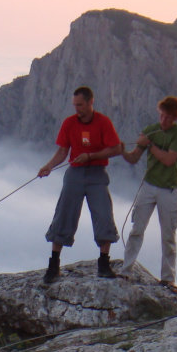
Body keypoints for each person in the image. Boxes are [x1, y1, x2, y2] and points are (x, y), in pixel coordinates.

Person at [38, 86, 123, 282]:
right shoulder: (69, 123)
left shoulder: (103, 122)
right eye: (75, 105)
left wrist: (91, 156)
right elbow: (62, 152)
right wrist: (48, 166)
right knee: (64, 214)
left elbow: (116, 148)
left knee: (103, 214)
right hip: (75, 173)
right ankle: (53, 265)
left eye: (81, 105)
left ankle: (103, 263)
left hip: (97, 174)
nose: (77, 109)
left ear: (91, 102)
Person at [120, 96, 177, 293]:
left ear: (175, 118)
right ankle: (126, 270)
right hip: (149, 186)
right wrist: (122, 151)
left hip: (169, 189)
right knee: (137, 229)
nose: (164, 121)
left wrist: (149, 144)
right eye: (162, 116)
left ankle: (168, 279)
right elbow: (134, 158)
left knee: (168, 236)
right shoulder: (151, 130)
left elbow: (169, 160)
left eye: (168, 118)